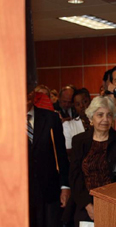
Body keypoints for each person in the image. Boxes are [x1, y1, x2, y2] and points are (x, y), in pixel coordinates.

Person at [69, 96, 116, 226]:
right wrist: (88, 206)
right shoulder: (79, 141)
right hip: (85, 205)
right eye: (100, 115)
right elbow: (74, 177)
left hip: (115, 205)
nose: (105, 120)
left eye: (109, 115)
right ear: (91, 118)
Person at [27, 87, 70, 227]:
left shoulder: (51, 118)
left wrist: (65, 186)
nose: (27, 94)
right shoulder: (5, 120)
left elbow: (61, 154)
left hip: (49, 190)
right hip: (19, 192)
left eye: (29, 90)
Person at [63, 88, 92, 158]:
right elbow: (69, 150)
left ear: (91, 101)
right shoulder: (68, 125)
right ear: (74, 107)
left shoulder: (100, 121)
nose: (82, 106)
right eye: (77, 104)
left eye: (85, 102)